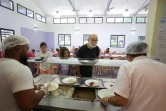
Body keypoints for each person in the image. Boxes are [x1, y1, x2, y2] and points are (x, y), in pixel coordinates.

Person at [101, 41, 166, 111]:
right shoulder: (164, 66)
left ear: (129, 56)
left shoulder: (127, 67)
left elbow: (120, 101)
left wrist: (106, 99)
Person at [0, 35, 48, 111]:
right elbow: (28, 105)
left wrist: (36, 87)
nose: (28, 52)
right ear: (18, 48)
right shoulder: (21, 69)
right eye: (27, 48)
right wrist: (43, 91)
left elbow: (11, 87)